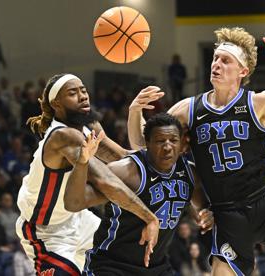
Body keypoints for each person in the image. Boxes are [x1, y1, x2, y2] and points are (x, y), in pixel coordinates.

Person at [127, 27, 265, 275]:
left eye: (226, 60)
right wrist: (134, 111)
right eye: (215, 58)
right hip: (226, 215)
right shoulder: (187, 110)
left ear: (243, 71)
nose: (217, 63)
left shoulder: (259, 103)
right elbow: (144, 148)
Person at [16, 73, 159, 275]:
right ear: (56, 104)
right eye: (73, 93)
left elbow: (124, 158)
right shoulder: (63, 135)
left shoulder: (88, 126)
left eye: (83, 90)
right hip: (44, 231)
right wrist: (150, 217)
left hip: (79, 220)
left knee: (128, 256)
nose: (83, 96)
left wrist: (134, 112)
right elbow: (106, 181)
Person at [64, 113, 213, 275]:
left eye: (173, 140)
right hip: (112, 265)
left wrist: (206, 213)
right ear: (147, 143)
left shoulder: (190, 173)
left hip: (156, 266)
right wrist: (82, 162)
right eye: (160, 141)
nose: (168, 146)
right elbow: (74, 203)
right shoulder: (126, 171)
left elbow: (202, 207)